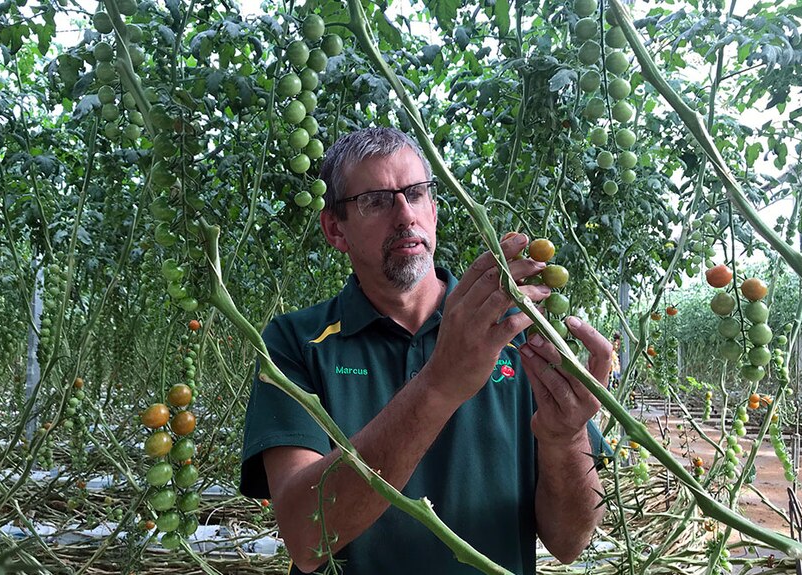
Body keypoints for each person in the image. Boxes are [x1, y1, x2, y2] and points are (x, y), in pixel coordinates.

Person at [240, 127, 612, 575]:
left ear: (433, 210)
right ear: (335, 229)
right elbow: (306, 537)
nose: (404, 215)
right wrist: (439, 383)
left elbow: (570, 541)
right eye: (376, 200)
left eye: (415, 194)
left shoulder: (519, 335)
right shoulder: (295, 343)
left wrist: (565, 438)